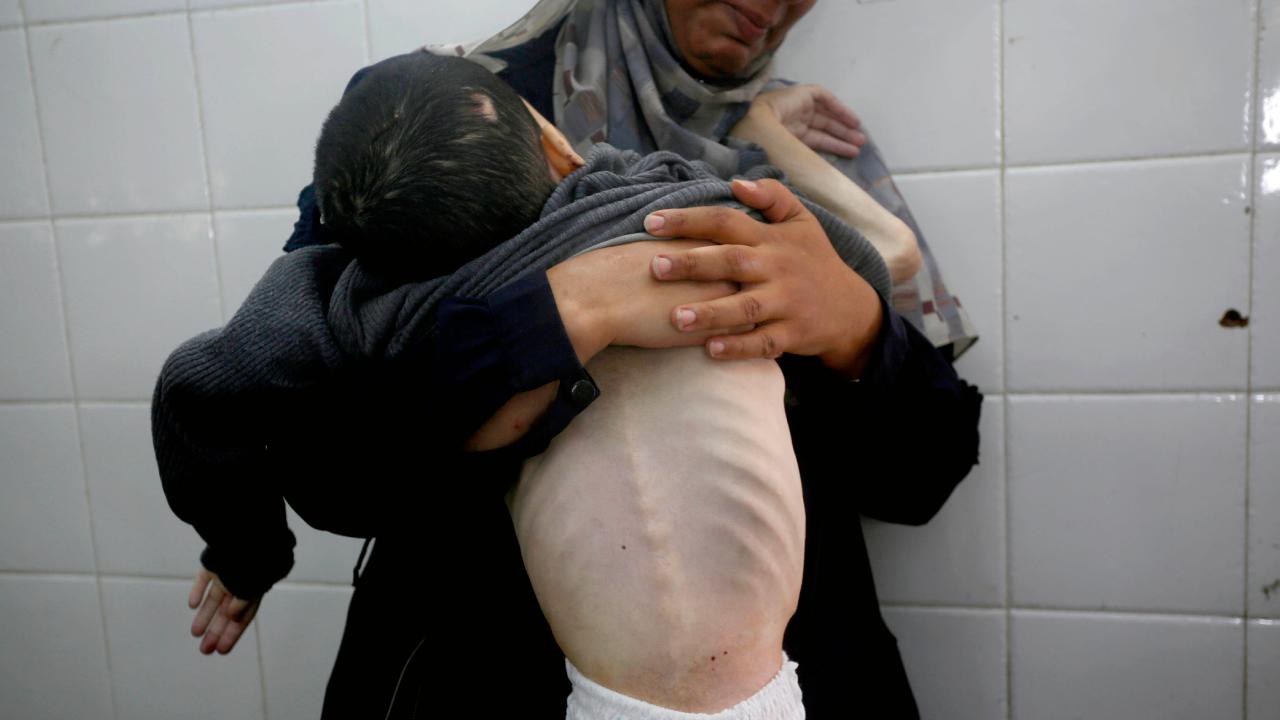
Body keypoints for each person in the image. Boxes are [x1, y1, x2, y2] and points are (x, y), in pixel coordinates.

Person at [168, 1, 981, 717]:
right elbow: (323, 469)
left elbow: (923, 477)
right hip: (483, 675)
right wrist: (556, 317)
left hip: (789, 673)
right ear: (558, 150)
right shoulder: (438, 113)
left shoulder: (811, 156)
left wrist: (853, 328)